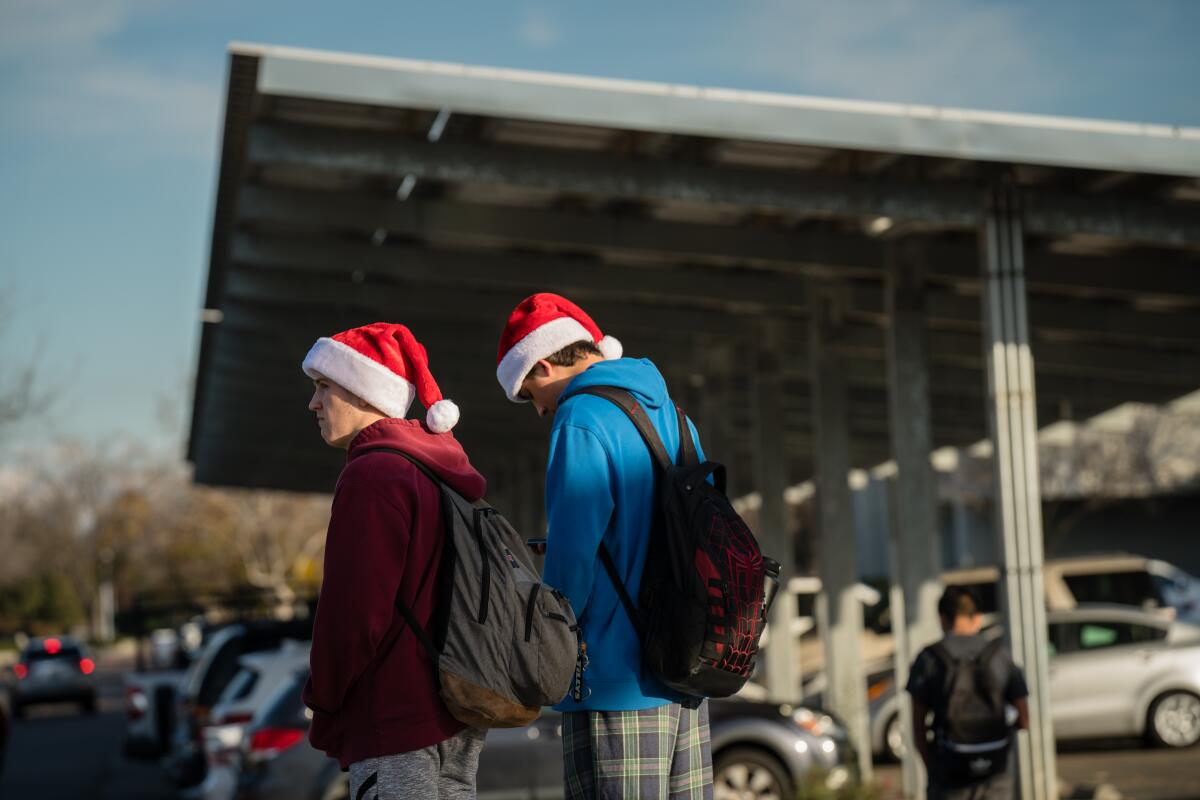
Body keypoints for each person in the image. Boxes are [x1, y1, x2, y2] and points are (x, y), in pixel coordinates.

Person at [495, 292, 714, 800]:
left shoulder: (581, 418)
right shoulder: (675, 416)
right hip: (685, 668)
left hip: (616, 677)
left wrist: (543, 645)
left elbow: (572, 560)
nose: (540, 411)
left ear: (544, 365)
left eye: (531, 394)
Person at [300, 322, 488, 800]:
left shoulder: (372, 475)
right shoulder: (438, 469)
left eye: (324, 386)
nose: (313, 404)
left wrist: (323, 702)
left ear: (365, 393)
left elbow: (355, 612)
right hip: (456, 708)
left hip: (395, 716)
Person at [906, 585, 1031, 800]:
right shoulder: (1000, 655)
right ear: (978, 618)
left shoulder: (929, 659)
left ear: (942, 618)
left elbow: (918, 728)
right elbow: (1025, 720)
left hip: (948, 776)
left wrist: (933, 770)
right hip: (995, 775)